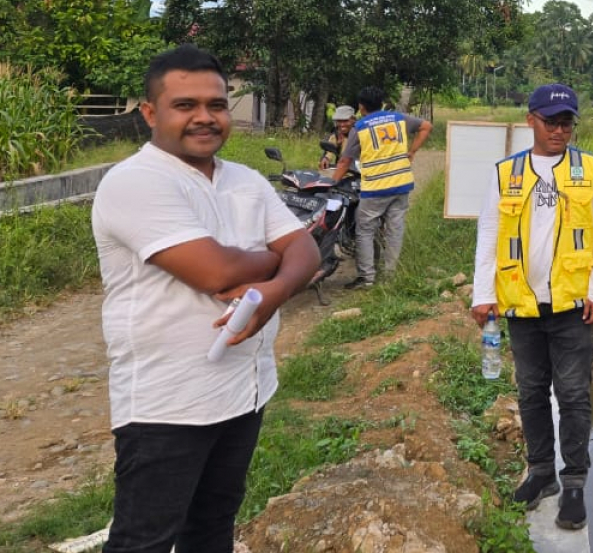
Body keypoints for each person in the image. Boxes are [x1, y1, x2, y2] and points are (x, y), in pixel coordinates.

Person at [91, 43, 320, 553]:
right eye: (185, 105)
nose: (205, 118)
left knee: (213, 527)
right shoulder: (134, 182)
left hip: (246, 389)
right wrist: (269, 256)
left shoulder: (245, 180)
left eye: (216, 105)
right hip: (168, 403)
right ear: (150, 113)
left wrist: (274, 290)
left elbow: (306, 248)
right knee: (144, 541)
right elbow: (215, 272)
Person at [469, 83, 593, 531]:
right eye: (551, 121)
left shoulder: (591, 170)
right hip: (521, 305)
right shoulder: (506, 173)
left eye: (567, 122)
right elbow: (489, 236)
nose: (560, 130)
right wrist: (482, 294)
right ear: (530, 119)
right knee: (531, 392)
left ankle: (574, 481)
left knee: (573, 394)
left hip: (572, 306)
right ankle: (540, 473)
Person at [331, 86, 432, 289]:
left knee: (365, 229)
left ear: (361, 107)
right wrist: (412, 152)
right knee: (395, 229)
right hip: (402, 184)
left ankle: (367, 278)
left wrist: (331, 184)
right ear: (380, 102)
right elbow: (426, 126)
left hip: (376, 187)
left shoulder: (360, 127)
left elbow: (344, 162)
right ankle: (389, 276)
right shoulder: (398, 118)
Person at [319, 105, 357, 169]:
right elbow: (330, 148)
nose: (342, 124)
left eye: (345, 121)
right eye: (339, 121)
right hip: (342, 169)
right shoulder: (336, 134)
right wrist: (326, 158)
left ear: (353, 120)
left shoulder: (361, 133)